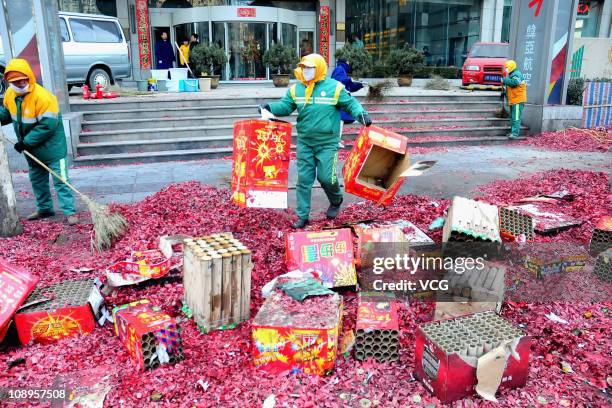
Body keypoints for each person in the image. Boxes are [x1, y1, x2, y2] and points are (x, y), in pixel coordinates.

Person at [261, 54, 372, 229]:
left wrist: (362, 115)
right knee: (303, 180)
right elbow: (285, 106)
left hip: (327, 143)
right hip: (305, 142)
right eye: (304, 67)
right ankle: (302, 216)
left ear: (319, 68)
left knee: (326, 178)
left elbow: (351, 104)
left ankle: (336, 199)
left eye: (310, 68)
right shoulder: (296, 89)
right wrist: (269, 107)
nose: (306, 71)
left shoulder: (335, 88)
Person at [0, 59, 77, 225]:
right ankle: (45, 208)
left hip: (53, 149)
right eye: (16, 81)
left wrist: (25, 142)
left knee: (61, 180)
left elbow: (48, 125)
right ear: (9, 82)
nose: (21, 83)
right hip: (32, 151)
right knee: (37, 181)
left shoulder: (43, 97)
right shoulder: (10, 95)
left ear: (29, 77)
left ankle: (70, 212)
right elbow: (7, 114)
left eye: (23, 79)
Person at [331, 58, 364, 147]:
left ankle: (337, 140)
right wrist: (349, 80)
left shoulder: (343, 70)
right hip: (339, 98)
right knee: (339, 119)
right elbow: (338, 81)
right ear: (345, 63)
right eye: (348, 63)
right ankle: (336, 141)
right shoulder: (339, 69)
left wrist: (360, 85)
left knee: (340, 120)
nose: (349, 64)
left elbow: (349, 87)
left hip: (342, 98)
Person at [501, 60, 527, 140]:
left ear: (511, 67)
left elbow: (515, 83)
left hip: (518, 100)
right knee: (513, 117)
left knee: (515, 117)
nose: (506, 69)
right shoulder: (512, 74)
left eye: (507, 68)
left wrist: (504, 80)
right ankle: (512, 132)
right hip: (514, 100)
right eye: (505, 68)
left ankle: (515, 133)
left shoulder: (516, 74)